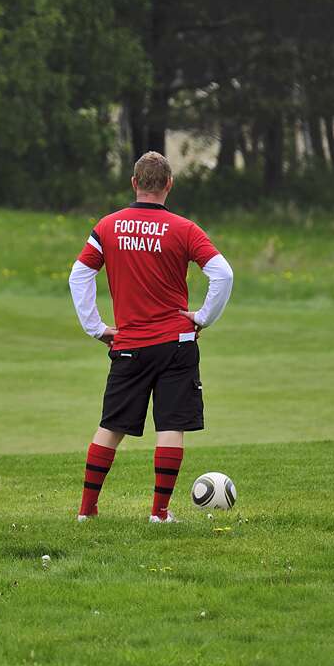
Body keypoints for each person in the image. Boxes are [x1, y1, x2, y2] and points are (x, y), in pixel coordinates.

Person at [68, 152, 234, 523]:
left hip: (129, 344)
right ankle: (159, 514)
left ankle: (86, 511)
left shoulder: (108, 227)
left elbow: (79, 275)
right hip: (176, 344)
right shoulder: (184, 229)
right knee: (171, 425)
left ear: (134, 183)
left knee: (111, 426)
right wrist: (203, 318)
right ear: (169, 184)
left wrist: (96, 327)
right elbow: (223, 274)